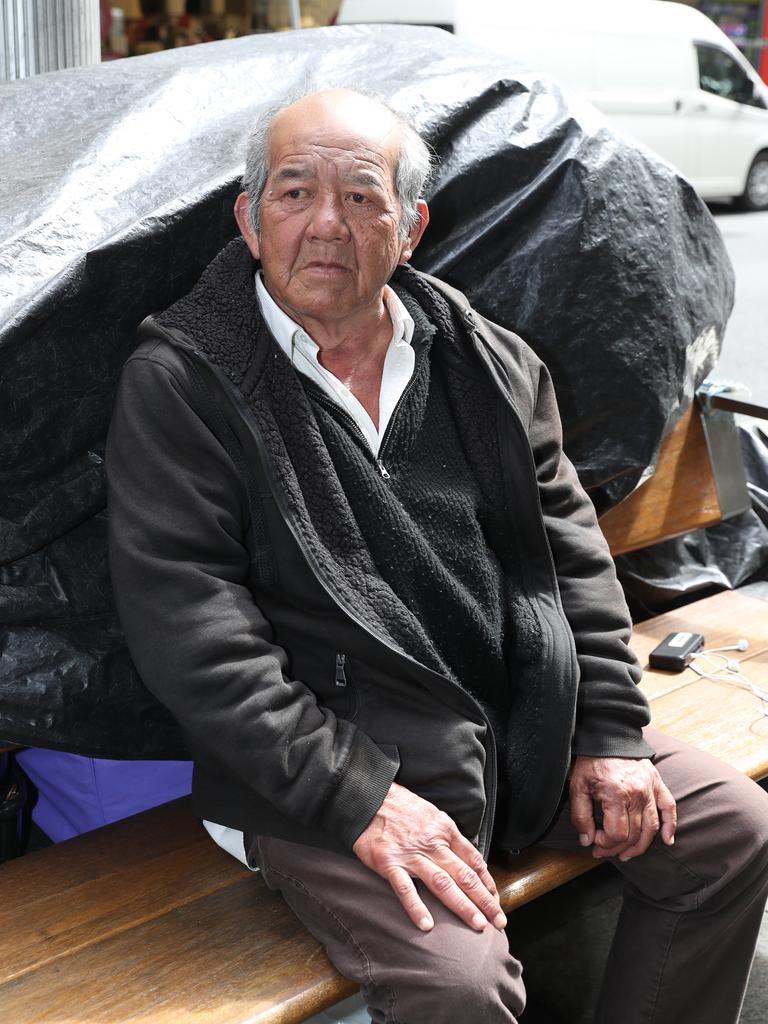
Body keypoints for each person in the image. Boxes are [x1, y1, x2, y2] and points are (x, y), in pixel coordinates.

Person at [106, 88, 768, 1024]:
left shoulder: (486, 361)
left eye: (363, 197)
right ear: (249, 221)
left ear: (410, 227)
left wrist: (609, 733)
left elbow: (570, 560)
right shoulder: (183, 381)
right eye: (294, 193)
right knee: (459, 988)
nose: (327, 224)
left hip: (508, 718)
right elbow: (197, 642)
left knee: (726, 831)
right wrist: (367, 801)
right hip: (320, 765)